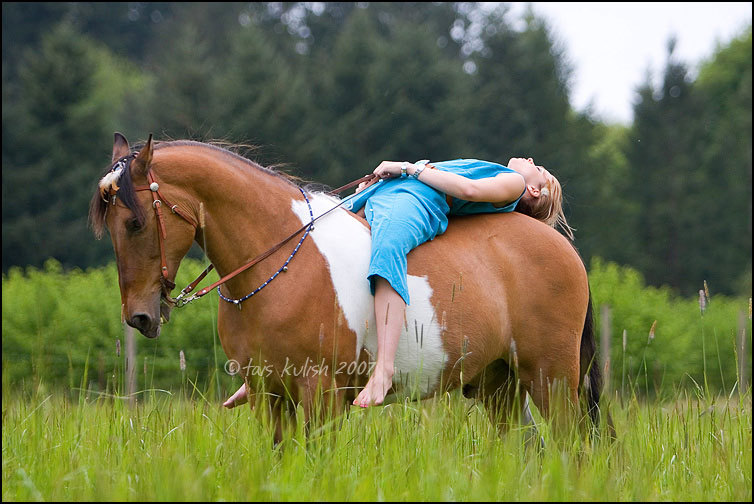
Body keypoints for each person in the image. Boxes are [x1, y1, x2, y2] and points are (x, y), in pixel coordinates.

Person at [223, 157, 572, 410]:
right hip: (387, 193)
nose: (530, 159)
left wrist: (410, 169)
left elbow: (466, 189)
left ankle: (384, 368)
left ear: (534, 190)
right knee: (317, 251)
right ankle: (272, 366)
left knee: (387, 250)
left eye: (539, 168)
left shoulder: (510, 181)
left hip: (416, 201)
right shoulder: (503, 170)